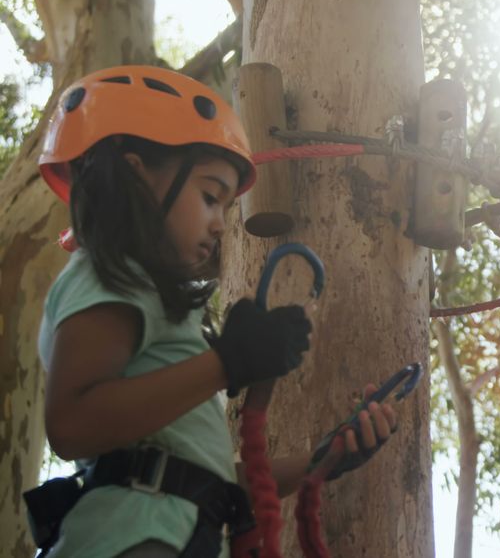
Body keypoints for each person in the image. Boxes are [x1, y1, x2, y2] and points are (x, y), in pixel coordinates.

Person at [30, 65, 396, 557]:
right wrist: (228, 362)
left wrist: (325, 459)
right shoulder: (107, 272)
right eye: (209, 196)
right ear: (137, 179)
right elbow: (71, 425)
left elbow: (209, 481)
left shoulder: (152, 306)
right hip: (131, 539)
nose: (221, 225)